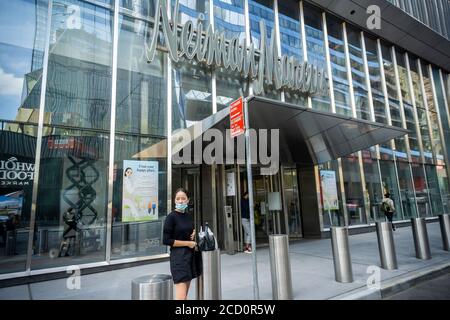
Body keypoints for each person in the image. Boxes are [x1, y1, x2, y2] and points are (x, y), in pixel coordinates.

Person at [163, 188, 198, 300]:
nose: (180, 201)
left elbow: (188, 229)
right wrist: (188, 243)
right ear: (174, 201)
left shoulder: (187, 216)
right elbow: (166, 240)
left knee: (184, 295)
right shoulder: (171, 217)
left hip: (189, 257)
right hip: (178, 258)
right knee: (181, 297)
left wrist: (193, 233)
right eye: (178, 199)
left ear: (188, 200)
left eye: (183, 198)